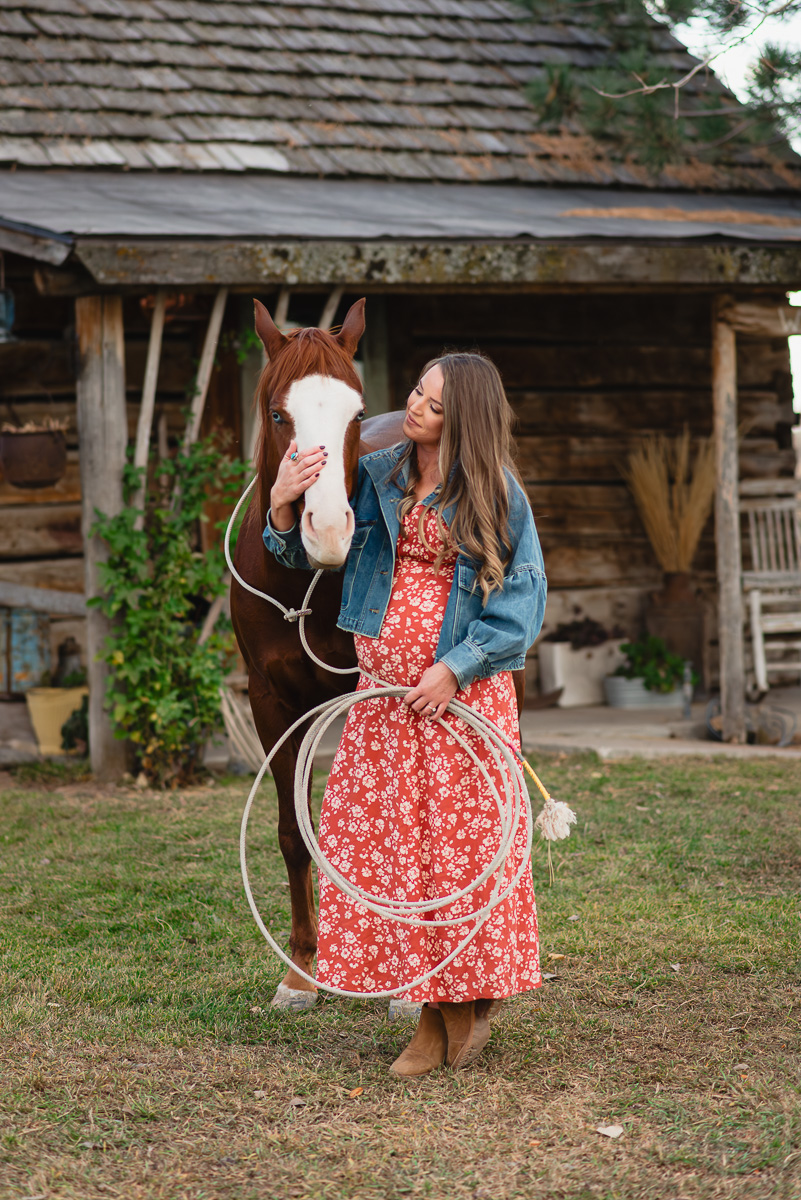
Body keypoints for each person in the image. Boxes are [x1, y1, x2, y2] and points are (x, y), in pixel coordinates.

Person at [263, 352, 547, 1076]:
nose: (414, 406)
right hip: (385, 704)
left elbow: (523, 601)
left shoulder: (496, 493)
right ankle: (443, 1004)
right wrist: (283, 504)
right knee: (394, 853)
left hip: (459, 703)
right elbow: (306, 556)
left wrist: (454, 668)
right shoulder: (378, 475)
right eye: (417, 391)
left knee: (454, 855)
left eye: (434, 404)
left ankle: (449, 1009)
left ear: (465, 419)